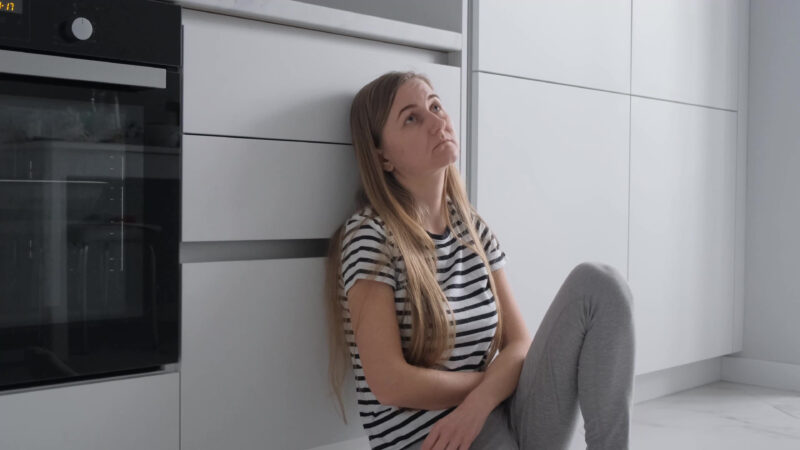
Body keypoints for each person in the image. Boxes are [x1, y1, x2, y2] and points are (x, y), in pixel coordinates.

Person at [324, 71, 636, 450]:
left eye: (436, 106)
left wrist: (482, 401)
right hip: (435, 442)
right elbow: (390, 383)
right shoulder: (370, 236)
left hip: (496, 418)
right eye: (412, 118)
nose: (438, 122)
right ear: (382, 157)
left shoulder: (472, 228)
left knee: (600, 283)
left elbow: (519, 344)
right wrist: (488, 385)